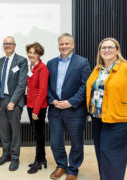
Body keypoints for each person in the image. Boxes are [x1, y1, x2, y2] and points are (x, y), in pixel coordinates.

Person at [47, 33, 91, 180]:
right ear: (58, 46)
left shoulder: (82, 62)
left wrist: (70, 102)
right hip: (55, 109)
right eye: (61, 44)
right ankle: (61, 165)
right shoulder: (51, 63)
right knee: (55, 141)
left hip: (75, 109)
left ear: (72, 45)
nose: (64, 46)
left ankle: (73, 169)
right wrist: (52, 100)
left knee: (76, 142)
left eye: (67, 44)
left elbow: (86, 86)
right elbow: (46, 85)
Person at [86, 38, 127, 180]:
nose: (107, 50)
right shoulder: (98, 69)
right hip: (98, 118)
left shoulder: (125, 67)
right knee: (101, 152)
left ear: (117, 50)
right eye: (103, 48)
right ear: (100, 51)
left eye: (110, 47)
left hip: (118, 119)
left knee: (113, 155)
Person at [0, 36, 27, 171]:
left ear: (14, 45)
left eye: (10, 43)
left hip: (14, 100)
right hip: (1, 99)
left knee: (14, 131)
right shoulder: (0, 61)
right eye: (5, 44)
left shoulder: (21, 61)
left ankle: (15, 158)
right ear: (3, 46)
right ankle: (6, 154)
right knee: (3, 130)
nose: (7, 45)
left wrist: (13, 101)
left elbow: (22, 84)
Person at [25, 42, 49, 174]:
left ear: (39, 54)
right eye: (30, 52)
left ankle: (38, 161)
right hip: (30, 105)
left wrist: (35, 110)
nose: (31, 55)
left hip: (38, 107)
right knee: (36, 133)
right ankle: (42, 158)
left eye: (34, 53)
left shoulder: (42, 68)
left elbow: (42, 90)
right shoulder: (32, 66)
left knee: (39, 134)